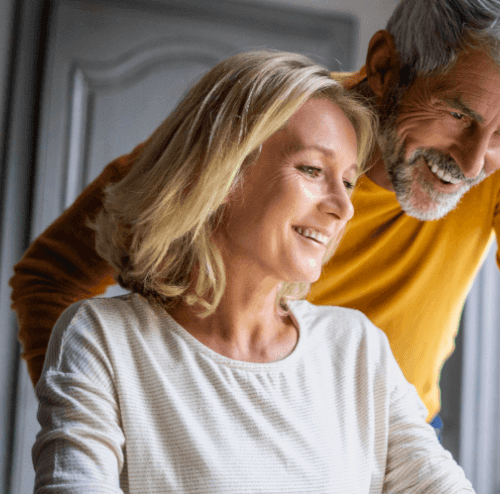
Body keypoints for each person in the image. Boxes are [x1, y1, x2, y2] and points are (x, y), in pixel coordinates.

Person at [12, 1, 500, 492]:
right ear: (386, 65)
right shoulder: (268, 124)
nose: (476, 163)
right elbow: (51, 276)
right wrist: (94, 421)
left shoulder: (362, 347)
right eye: (456, 114)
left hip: (379, 431)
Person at [32, 51, 474, 492]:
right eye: (312, 169)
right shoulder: (101, 340)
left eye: (347, 182)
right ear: (221, 173)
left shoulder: (357, 348)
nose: (342, 208)